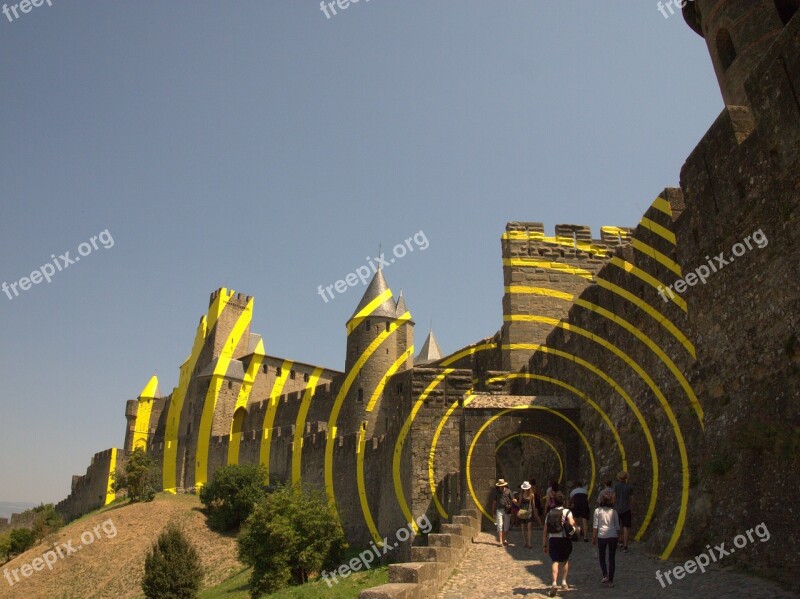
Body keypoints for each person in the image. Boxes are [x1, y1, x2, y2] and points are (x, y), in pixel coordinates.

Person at [542, 491, 576, 596]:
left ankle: (554, 583)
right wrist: (575, 528)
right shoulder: (567, 512)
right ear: (564, 501)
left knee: (555, 561)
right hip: (564, 539)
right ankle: (564, 582)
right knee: (565, 560)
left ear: (554, 502)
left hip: (553, 539)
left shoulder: (550, 513)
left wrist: (544, 544)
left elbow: (545, 530)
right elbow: (571, 523)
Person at [592, 492, 620, 586]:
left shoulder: (597, 511)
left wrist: (593, 537)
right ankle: (611, 579)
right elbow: (617, 526)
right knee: (612, 558)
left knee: (602, 556)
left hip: (602, 536)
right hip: (613, 536)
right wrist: (618, 537)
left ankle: (605, 575)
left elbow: (595, 526)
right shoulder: (614, 512)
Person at [613, 471, 634, 551]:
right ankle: (625, 545)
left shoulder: (616, 486)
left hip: (617, 508)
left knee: (617, 526)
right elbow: (632, 498)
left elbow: (614, 497)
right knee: (626, 527)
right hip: (626, 508)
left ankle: (619, 541)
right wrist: (631, 507)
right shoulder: (630, 486)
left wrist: (613, 504)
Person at [491, 478, 513, 546]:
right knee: (500, 525)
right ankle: (500, 541)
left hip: (507, 510)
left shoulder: (508, 491)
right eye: (500, 486)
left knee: (506, 525)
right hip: (499, 510)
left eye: (502, 485)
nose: (501, 487)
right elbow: (494, 502)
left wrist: (514, 500)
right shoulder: (496, 492)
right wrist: (493, 512)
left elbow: (512, 498)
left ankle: (504, 539)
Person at [517, 481, 535, 548]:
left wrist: (534, 513)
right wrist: (515, 502)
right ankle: (525, 542)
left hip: (529, 512)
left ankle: (529, 543)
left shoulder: (532, 495)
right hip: (522, 512)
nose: (525, 489)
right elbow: (519, 504)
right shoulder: (521, 495)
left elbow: (533, 505)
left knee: (529, 527)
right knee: (523, 528)